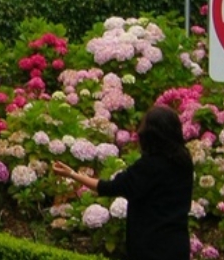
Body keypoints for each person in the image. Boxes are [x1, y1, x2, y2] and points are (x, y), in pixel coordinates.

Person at [53, 105, 193, 260]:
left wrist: (72, 174)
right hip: (178, 245)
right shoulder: (184, 162)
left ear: (150, 135)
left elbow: (109, 187)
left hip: (151, 247)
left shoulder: (148, 167)